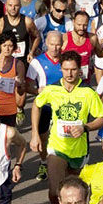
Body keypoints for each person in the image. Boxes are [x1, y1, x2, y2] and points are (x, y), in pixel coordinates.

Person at [31, 50, 103, 204]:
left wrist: (85, 127)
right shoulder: (52, 89)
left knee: (75, 192)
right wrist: (34, 134)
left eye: (73, 69)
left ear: (79, 70)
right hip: (57, 147)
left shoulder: (87, 92)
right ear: (60, 68)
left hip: (79, 150)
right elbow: (36, 105)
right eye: (66, 69)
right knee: (56, 190)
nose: (69, 73)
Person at [26, 30, 63, 181]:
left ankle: (61, 165)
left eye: (58, 45)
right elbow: (26, 86)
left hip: (62, 107)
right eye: (52, 44)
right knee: (43, 137)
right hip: (45, 107)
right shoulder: (37, 62)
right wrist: (37, 90)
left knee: (61, 137)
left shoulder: (67, 61)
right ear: (46, 43)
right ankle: (43, 163)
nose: (55, 48)